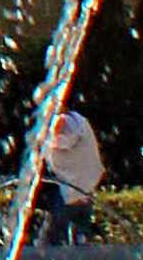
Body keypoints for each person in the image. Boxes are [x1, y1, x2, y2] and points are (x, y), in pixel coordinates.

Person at [32, 101, 103, 243]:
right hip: (85, 186)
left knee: (49, 237)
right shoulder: (79, 120)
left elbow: (63, 140)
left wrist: (44, 139)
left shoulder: (64, 121)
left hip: (70, 188)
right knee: (80, 234)